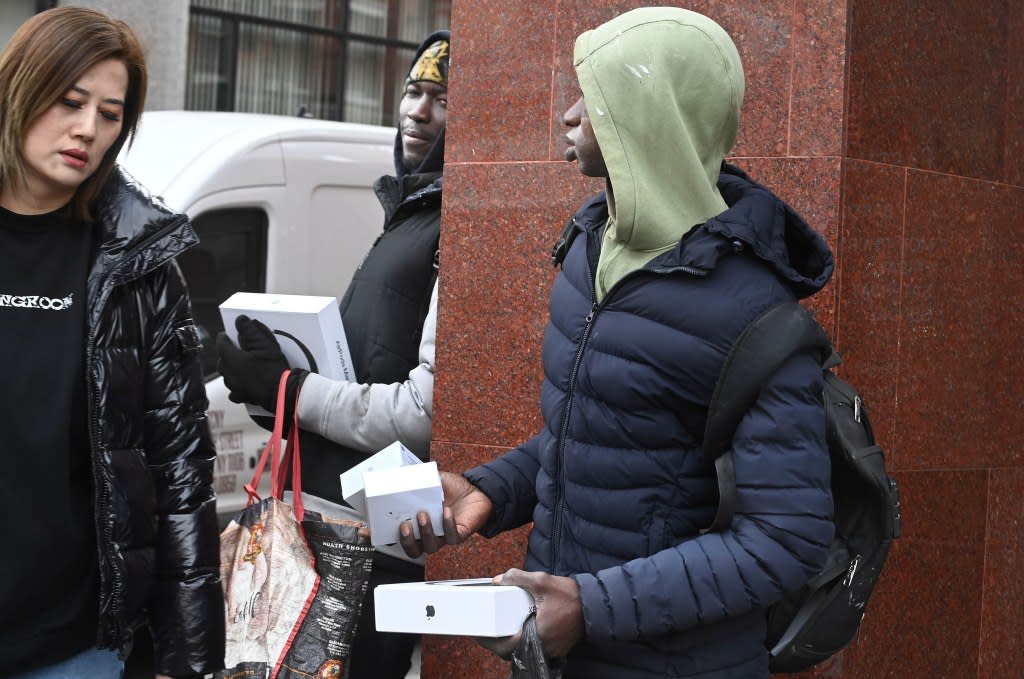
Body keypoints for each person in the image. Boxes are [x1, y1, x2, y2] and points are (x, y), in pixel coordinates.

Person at [400, 7, 836, 679]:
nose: (569, 115)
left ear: (653, 116)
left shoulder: (758, 312)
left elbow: (786, 538)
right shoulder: (587, 251)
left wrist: (591, 604)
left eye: (597, 98)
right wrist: (490, 490)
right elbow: (612, 438)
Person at [215, 30, 450, 679]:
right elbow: (370, 369)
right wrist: (275, 392)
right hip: (341, 525)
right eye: (412, 90)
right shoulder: (414, 215)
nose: (417, 109)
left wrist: (290, 386)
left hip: (375, 543)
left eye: (442, 97)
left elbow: (422, 412)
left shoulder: (451, 223)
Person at [0, 7, 224, 679]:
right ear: (19, 89)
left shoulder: (140, 268)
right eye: (70, 102)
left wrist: (188, 660)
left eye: (109, 114)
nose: (88, 130)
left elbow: (179, 472)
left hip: (74, 647)